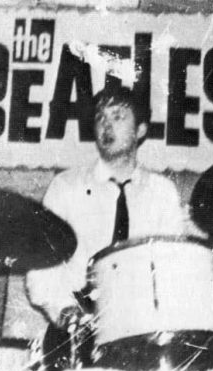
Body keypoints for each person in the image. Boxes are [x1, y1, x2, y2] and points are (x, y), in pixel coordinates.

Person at [25, 86, 185, 328]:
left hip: (141, 329)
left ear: (140, 130)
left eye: (118, 116)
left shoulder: (162, 192)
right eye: (101, 117)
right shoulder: (66, 186)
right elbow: (40, 269)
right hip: (75, 326)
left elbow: (173, 271)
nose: (106, 126)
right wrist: (65, 312)